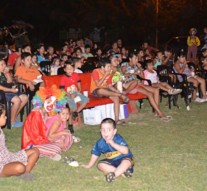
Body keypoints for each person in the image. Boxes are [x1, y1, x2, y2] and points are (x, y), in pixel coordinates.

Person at [121, 52, 171, 120]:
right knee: (137, 82)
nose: (137, 60)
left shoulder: (136, 66)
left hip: (137, 84)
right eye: (135, 58)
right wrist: (134, 73)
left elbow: (142, 76)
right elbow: (122, 75)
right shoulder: (125, 65)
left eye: (137, 58)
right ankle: (160, 113)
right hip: (128, 85)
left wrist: (140, 68)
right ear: (130, 59)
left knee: (156, 90)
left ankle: (157, 112)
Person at [83, 118, 134, 183]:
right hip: (112, 161)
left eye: (108, 130)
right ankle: (122, 172)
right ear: (100, 131)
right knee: (100, 165)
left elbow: (126, 151)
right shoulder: (100, 143)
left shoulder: (118, 138)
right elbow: (95, 153)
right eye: (103, 130)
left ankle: (114, 175)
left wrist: (113, 144)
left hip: (124, 158)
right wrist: (89, 165)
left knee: (127, 162)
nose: (105, 132)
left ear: (114, 131)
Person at [0, 103, 39, 181]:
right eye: (4, 116)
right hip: (1, 165)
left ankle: (26, 173)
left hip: (8, 157)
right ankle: (23, 167)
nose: (6, 117)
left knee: (35, 151)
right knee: (19, 167)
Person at [90, 59, 129, 125]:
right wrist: (105, 75)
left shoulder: (109, 73)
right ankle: (120, 95)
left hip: (106, 91)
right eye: (108, 66)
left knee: (116, 98)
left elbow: (110, 86)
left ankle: (117, 120)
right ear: (102, 67)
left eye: (110, 66)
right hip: (96, 91)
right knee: (100, 90)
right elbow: (98, 85)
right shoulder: (95, 71)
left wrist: (118, 92)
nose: (110, 68)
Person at [60, 62, 88, 142]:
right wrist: (68, 94)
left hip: (75, 93)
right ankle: (70, 124)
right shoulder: (63, 78)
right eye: (68, 69)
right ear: (65, 69)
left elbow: (79, 84)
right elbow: (62, 89)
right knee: (71, 108)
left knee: (85, 100)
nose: (70, 70)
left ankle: (77, 112)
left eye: (71, 68)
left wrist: (78, 90)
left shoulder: (76, 75)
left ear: (74, 69)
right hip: (67, 95)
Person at [0, 59, 28, 128]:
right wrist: (11, 90)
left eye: (4, 64)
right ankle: (11, 121)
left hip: (9, 91)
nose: (4, 66)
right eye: (1, 65)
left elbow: (10, 81)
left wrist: (7, 73)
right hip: (2, 93)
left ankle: (13, 118)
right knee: (17, 100)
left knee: (25, 97)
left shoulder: (3, 73)